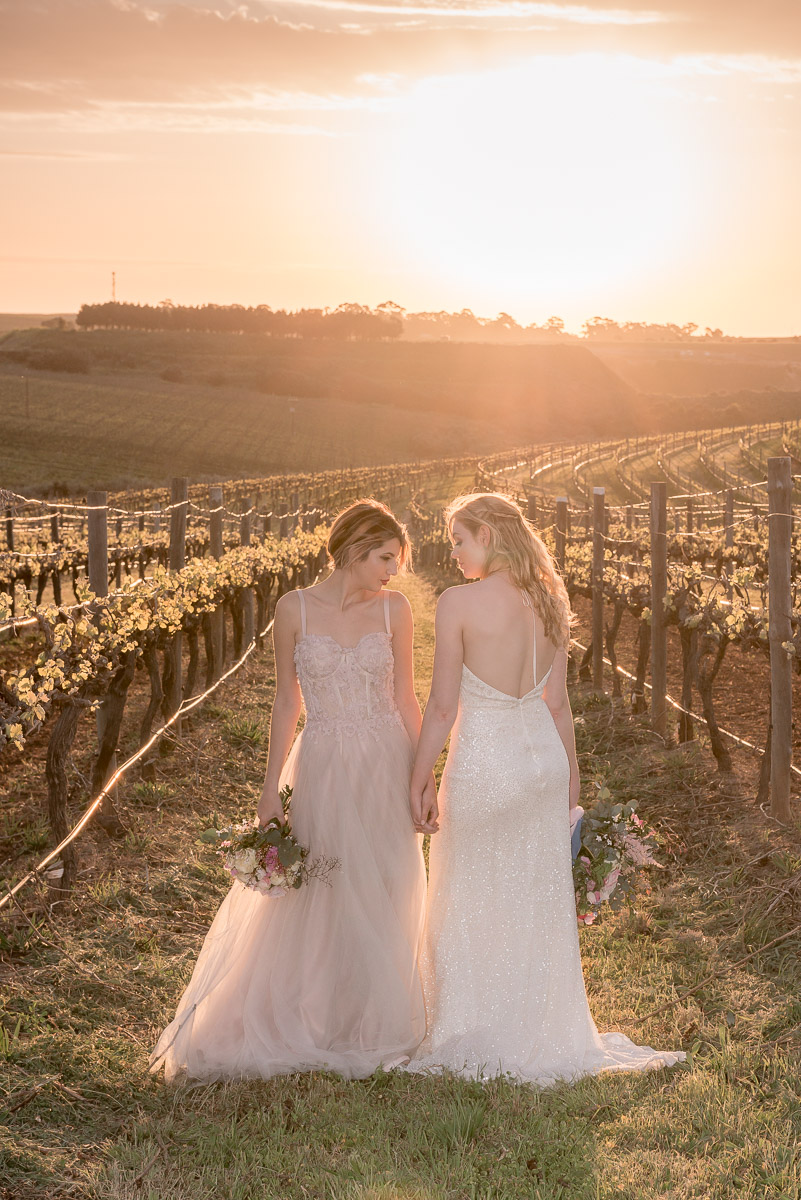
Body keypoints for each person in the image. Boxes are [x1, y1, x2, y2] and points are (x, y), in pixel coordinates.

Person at [407, 492, 686, 1084]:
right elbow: (558, 706)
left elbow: (440, 707)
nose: (453, 553)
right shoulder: (551, 600)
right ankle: (535, 1026)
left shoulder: (458, 602)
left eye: (459, 539)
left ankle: (468, 1027)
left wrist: (419, 774)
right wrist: (571, 788)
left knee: (467, 893)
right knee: (533, 900)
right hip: (542, 766)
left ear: (487, 534)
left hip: (484, 764)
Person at [150, 499, 432, 1082]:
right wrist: (269, 786)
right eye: (384, 557)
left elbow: (406, 698)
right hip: (323, 762)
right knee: (323, 887)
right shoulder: (293, 608)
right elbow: (287, 701)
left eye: (397, 561)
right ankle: (318, 1014)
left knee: (388, 878)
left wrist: (425, 771)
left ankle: (379, 1016)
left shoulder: (395, 610)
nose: (392, 571)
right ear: (354, 547)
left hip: (385, 758)